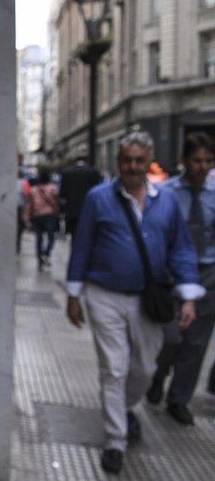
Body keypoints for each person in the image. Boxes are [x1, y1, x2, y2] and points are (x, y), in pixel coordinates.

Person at [66, 130, 203, 474]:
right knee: (113, 368)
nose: (132, 166)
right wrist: (73, 294)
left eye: (139, 160)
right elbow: (82, 246)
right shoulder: (99, 199)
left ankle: (126, 408)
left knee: (144, 368)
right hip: (104, 295)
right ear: (118, 162)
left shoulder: (167, 201)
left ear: (148, 162)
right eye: (126, 159)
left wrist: (188, 294)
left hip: (147, 300)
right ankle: (115, 439)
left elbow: (181, 249)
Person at [147, 133, 215, 425]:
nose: (202, 167)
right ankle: (157, 376)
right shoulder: (167, 194)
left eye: (208, 162)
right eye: (197, 161)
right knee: (171, 337)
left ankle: (179, 399)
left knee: (196, 343)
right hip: (172, 274)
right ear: (184, 161)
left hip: (208, 273)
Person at [24, 168, 60, 269]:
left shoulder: (33, 190)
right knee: (51, 237)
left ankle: (40, 259)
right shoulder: (54, 188)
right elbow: (57, 202)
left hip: (37, 216)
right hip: (50, 215)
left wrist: (27, 218)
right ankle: (46, 253)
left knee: (39, 239)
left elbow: (29, 205)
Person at [59, 158, 102, 237]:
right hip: (89, 209)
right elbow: (98, 191)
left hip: (72, 211)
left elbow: (62, 193)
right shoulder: (93, 172)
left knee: (74, 235)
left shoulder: (67, 173)